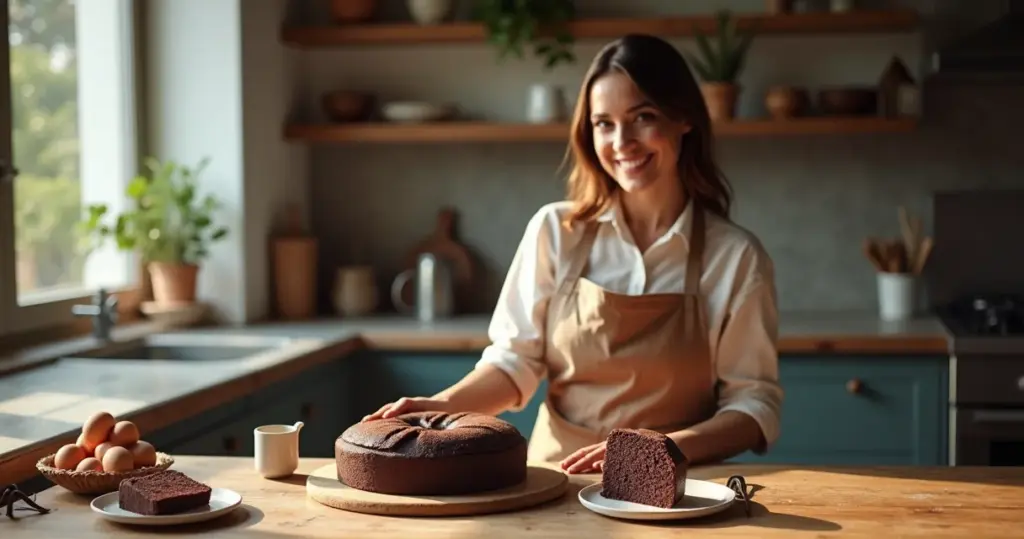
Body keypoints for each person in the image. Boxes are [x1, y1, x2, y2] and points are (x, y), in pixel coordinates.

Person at [363, 34, 783, 474]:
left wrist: (669, 449)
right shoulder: (555, 231)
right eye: (604, 123)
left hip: (679, 487)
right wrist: (442, 405)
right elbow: (515, 363)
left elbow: (754, 405)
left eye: (643, 117)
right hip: (559, 478)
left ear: (684, 120)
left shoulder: (736, 257)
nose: (622, 141)